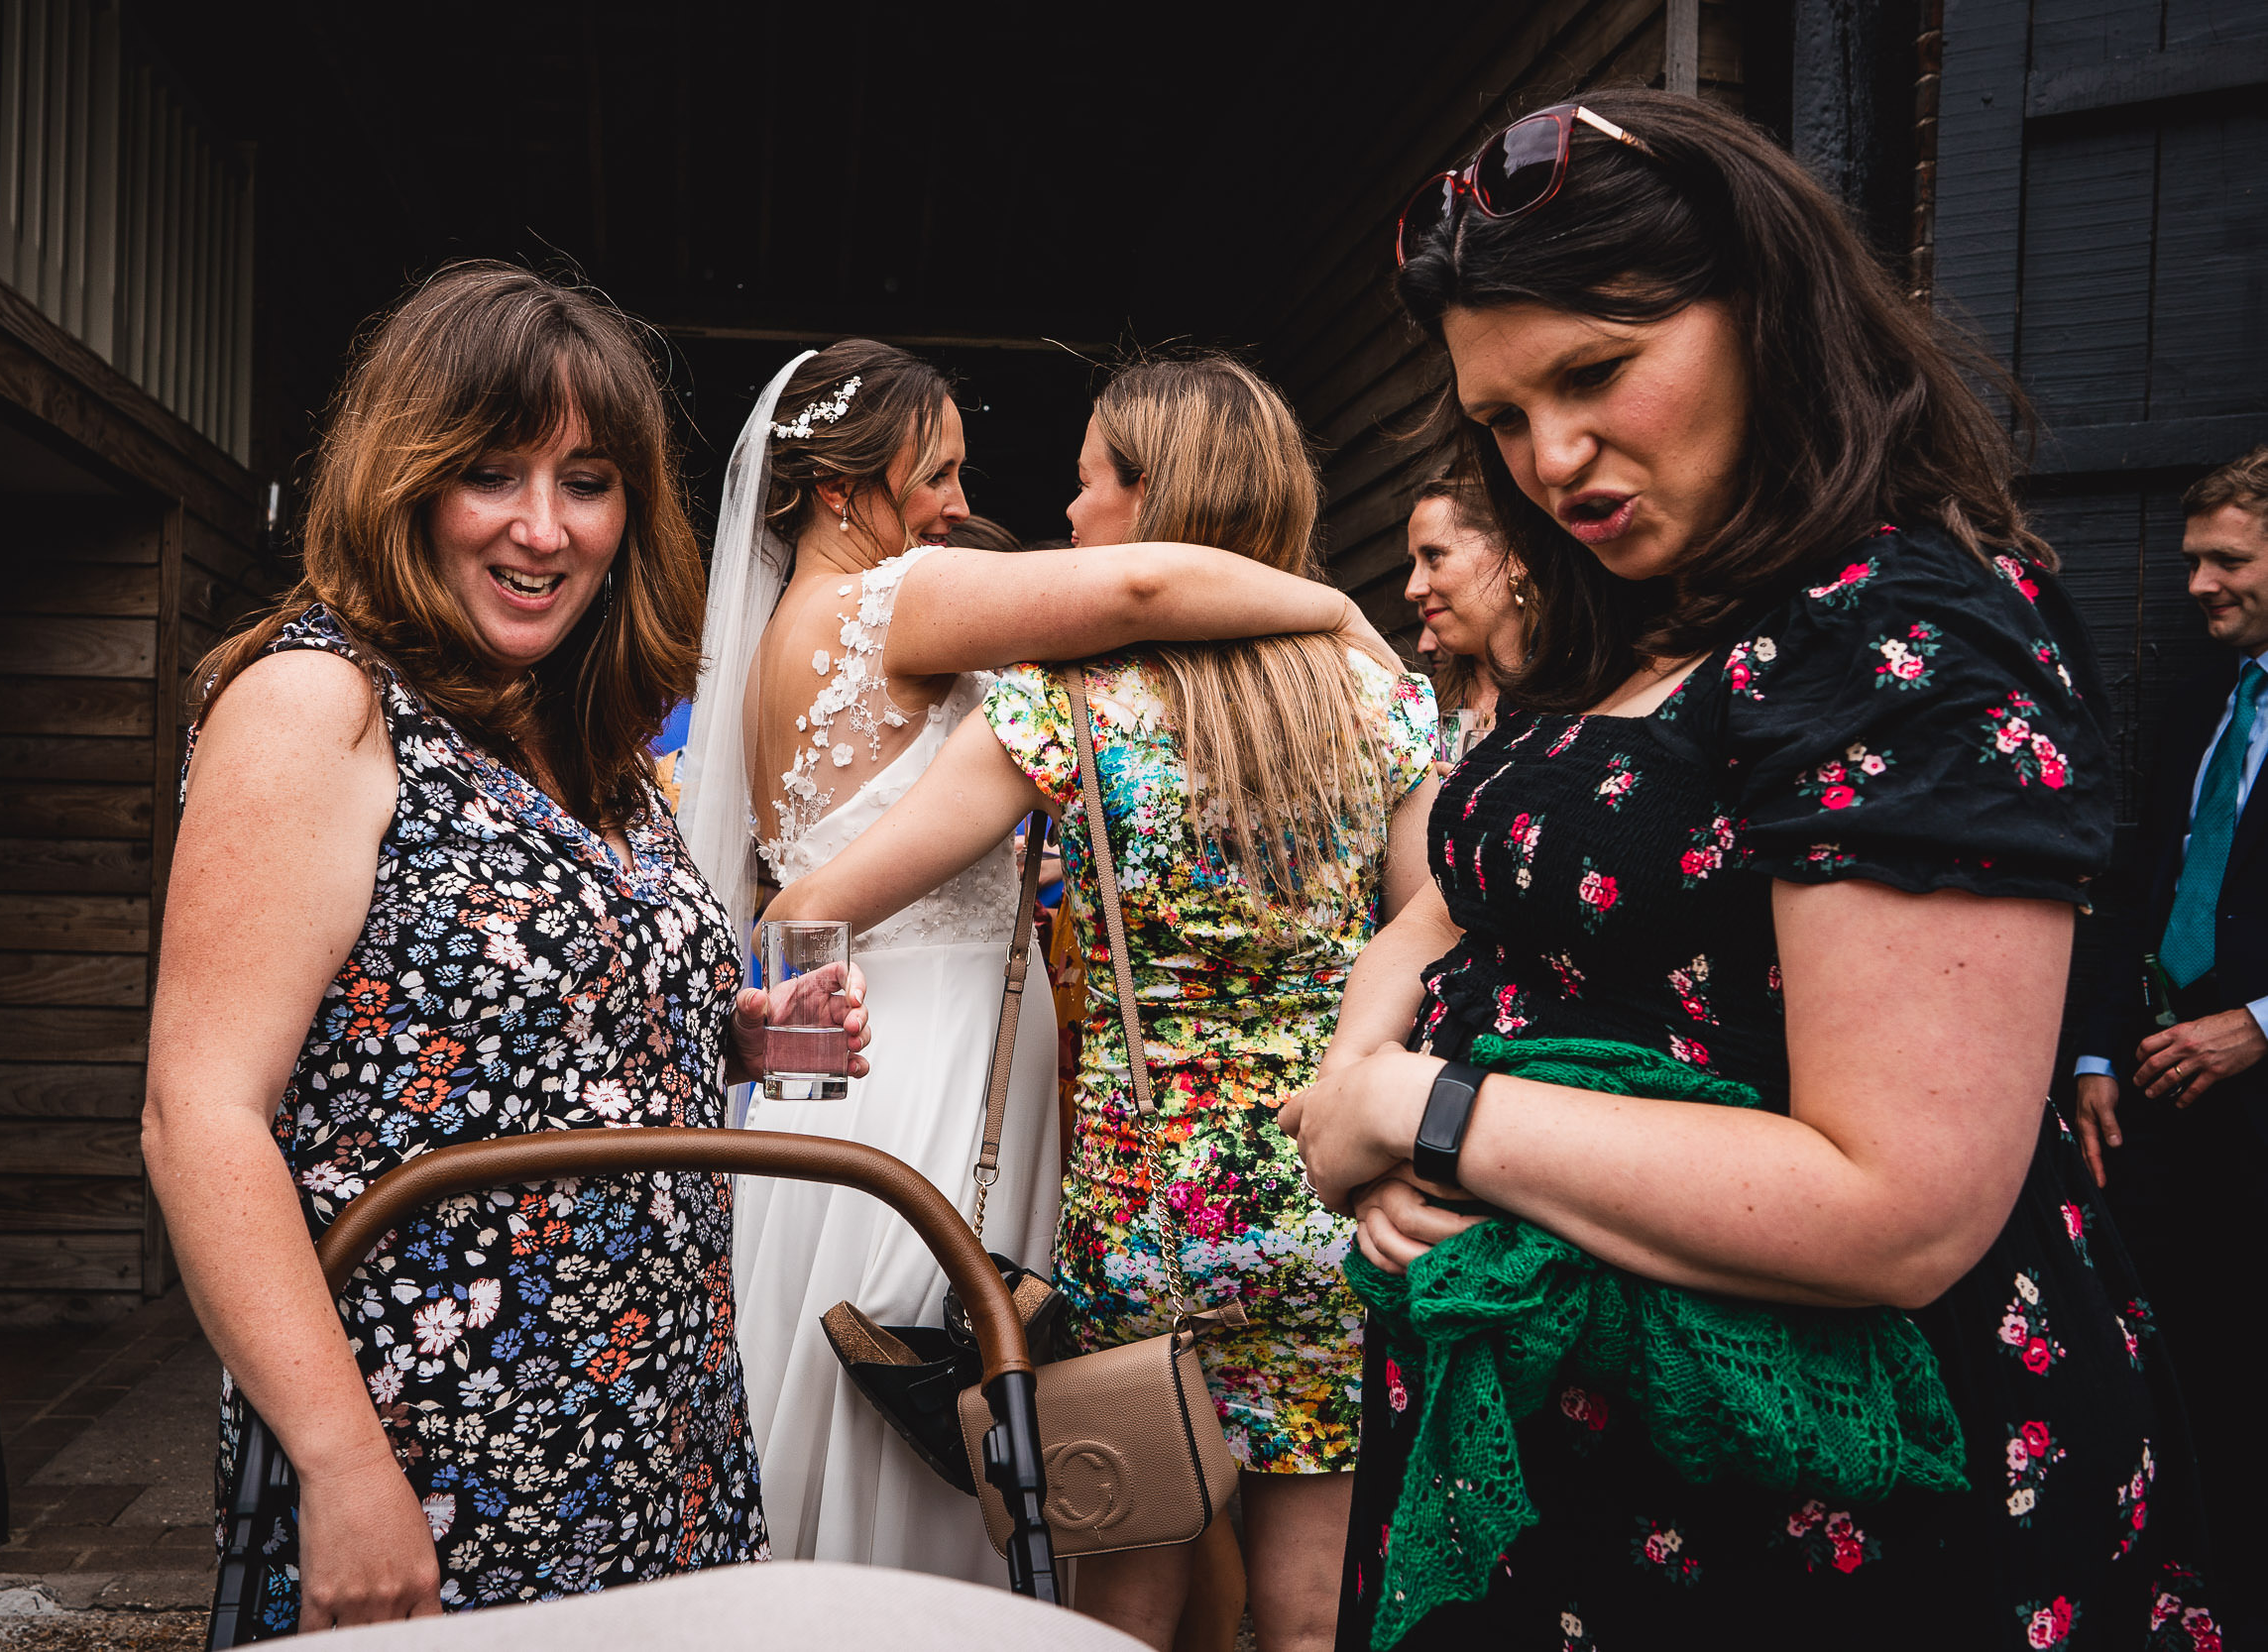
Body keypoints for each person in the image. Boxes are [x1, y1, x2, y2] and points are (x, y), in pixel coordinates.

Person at [1280, 90, 2218, 1648]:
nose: (1553, 455)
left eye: (1594, 371)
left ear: (1769, 316)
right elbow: (1466, 887)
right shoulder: (1638, 605)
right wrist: (1362, 1087)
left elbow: (1895, 1203)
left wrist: (1435, 1116)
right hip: (1578, 1456)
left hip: (1806, 1505)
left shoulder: (1904, 639)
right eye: (1503, 417)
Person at [144, 264, 869, 1634]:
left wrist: (728, 1033)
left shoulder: (583, 737)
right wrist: (345, 1462)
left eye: (588, 481)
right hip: (442, 1440)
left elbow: (492, 1019)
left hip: (661, 1425)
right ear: (406, 480)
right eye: (492, 472)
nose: (543, 528)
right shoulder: (320, 702)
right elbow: (199, 1115)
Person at [679, 341, 1404, 1588]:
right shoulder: (895, 599)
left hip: (841, 1053)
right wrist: (1332, 608)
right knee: (952, 1374)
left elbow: (788, 900)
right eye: (936, 472)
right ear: (841, 491)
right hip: (942, 1050)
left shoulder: (773, 636)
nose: (961, 505)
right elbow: (1133, 598)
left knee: (865, 1357)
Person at [2074, 442, 2268, 1638]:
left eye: (2227, 558)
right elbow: (2141, 884)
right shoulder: (2204, 692)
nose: (2196, 582)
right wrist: (2095, 1054)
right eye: (2192, 556)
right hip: (2162, 1119)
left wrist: (2257, 1026)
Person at [1400, 465, 1526, 765]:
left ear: (1514, 556)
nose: (1412, 589)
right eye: (1412, 564)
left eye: (1433, 556)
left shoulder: (1583, 694)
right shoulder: (1423, 709)